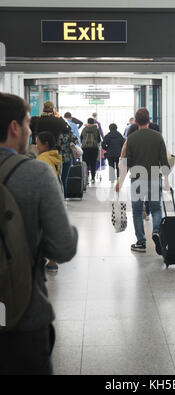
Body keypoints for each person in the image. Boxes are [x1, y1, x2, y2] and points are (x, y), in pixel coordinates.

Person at [0, 93, 78, 375]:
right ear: (14, 128)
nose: (31, 133)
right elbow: (64, 248)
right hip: (25, 315)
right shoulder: (36, 173)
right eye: (27, 125)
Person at [116, 108, 170, 254]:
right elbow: (164, 161)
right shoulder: (158, 136)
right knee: (156, 208)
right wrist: (166, 180)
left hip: (137, 178)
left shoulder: (131, 138)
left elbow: (126, 163)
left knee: (138, 211)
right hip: (154, 176)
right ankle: (157, 231)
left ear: (136, 121)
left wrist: (120, 182)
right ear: (149, 120)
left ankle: (141, 242)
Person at [36, 131, 63, 273]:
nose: (36, 146)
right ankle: (52, 261)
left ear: (45, 145)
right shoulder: (54, 157)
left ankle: (48, 260)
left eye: (38, 143)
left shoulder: (42, 159)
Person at [59, 127, 79, 198]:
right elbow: (76, 141)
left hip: (58, 158)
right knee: (64, 178)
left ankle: (59, 196)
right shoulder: (70, 134)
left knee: (58, 177)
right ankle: (64, 197)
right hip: (68, 158)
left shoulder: (57, 133)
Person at [81, 118, 101, 184]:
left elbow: (81, 138)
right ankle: (93, 178)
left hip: (85, 148)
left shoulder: (84, 129)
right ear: (93, 122)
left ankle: (86, 178)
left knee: (86, 163)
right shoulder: (96, 129)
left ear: (88, 122)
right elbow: (99, 140)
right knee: (93, 163)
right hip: (94, 148)